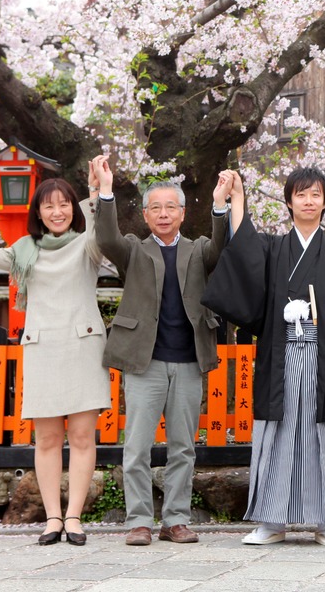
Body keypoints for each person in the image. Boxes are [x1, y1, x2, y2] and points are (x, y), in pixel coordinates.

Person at [201, 168, 325, 547]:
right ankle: (271, 520)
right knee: (277, 432)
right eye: (301, 195)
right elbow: (243, 246)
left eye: (315, 195)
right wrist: (236, 198)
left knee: (322, 433)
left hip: (323, 357)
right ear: (289, 201)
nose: (308, 201)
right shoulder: (272, 248)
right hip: (280, 356)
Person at [92, 156, 233, 546]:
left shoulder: (198, 250)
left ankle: (175, 520)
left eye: (171, 207)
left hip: (188, 361)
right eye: (156, 208)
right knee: (137, 446)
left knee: (183, 447)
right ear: (145, 215)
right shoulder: (133, 250)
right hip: (145, 362)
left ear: (183, 213)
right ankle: (139, 521)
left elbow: (222, 247)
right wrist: (106, 190)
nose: (164, 214)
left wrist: (220, 203)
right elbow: (106, 239)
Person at [0, 174, 110, 546]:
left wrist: (97, 192)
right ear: (38, 212)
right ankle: (52, 518)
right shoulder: (24, 249)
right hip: (42, 348)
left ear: (74, 208)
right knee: (47, 439)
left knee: (82, 437)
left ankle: (74, 517)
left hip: (83, 347)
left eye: (64, 204)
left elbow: (103, 232)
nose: (57, 211)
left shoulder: (87, 244)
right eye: (48, 205)